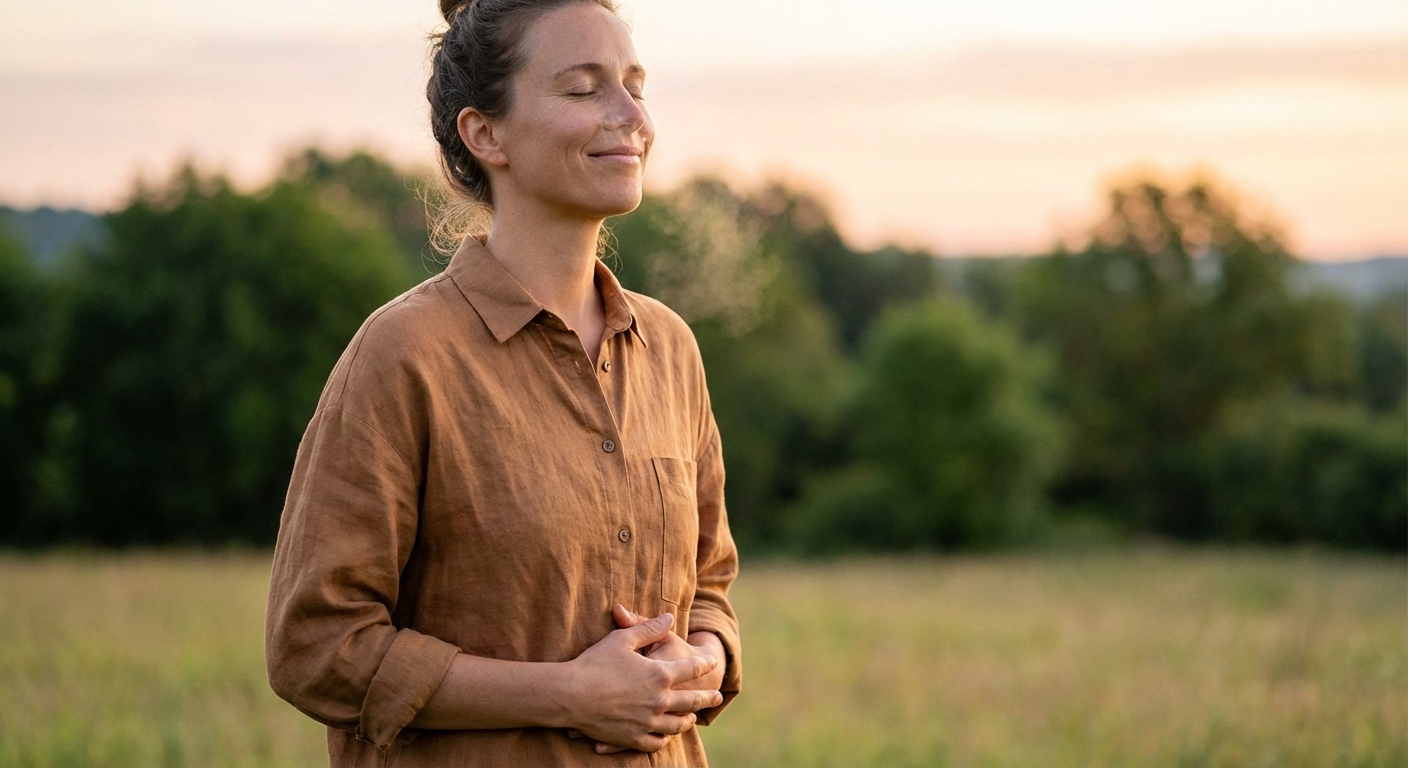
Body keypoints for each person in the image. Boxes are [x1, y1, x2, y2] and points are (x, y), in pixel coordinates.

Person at [263, 0, 743, 765]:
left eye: (635, 85)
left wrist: (705, 661)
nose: (630, 116)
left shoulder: (671, 350)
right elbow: (317, 646)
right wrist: (567, 693)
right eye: (584, 90)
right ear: (486, 134)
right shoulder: (403, 354)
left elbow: (710, 588)